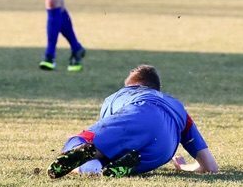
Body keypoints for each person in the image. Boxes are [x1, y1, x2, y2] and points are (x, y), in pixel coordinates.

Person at [47, 65, 219, 178]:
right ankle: (122, 167)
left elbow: (107, 139)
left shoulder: (117, 96)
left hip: (138, 115)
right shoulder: (177, 106)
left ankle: (89, 167)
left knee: (81, 143)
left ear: (131, 85)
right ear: (156, 88)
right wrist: (182, 167)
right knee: (128, 157)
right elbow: (210, 166)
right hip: (162, 150)